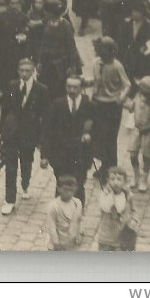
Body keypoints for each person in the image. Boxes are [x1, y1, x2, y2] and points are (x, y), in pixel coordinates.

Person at [0, 59, 49, 215]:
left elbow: (44, 115)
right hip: (12, 132)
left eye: (28, 70)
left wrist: (41, 138)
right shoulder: (12, 86)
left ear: (33, 71)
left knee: (26, 161)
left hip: (30, 132)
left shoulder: (41, 89)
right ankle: (10, 199)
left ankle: (25, 183)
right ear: (18, 71)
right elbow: (5, 110)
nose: (25, 73)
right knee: (11, 165)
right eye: (22, 70)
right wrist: (3, 132)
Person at [41, 75, 95, 206]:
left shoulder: (89, 105)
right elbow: (47, 130)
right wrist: (44, 155)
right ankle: (60, 215)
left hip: (81, 154)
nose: (72, 90)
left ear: (81, 88)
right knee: (61, 184)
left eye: (75, 87)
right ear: (65, 87)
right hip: (60, 154)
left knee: (78, 185)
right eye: (69, 86)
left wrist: (89, 136)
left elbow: (98, 128)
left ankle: (77, 215)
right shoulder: (57, 105)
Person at [90, 37, 131, 179]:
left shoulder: (116, 66)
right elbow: (95, 81)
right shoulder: (96, 64)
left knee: (110, 138)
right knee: (99, 136)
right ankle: (104, 165)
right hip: (97, 104)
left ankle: (111, 169)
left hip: (112, 106)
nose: (98, 52)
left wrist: (121, 98)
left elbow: (127, 85)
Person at [129, 76, 150, 193]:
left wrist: (145, 128)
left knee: (146, 156)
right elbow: (132, 109)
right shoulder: (137, 98)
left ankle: (144, 180)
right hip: (137, 131)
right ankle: (136, 175)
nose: (145, 94)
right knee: (133, 154)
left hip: (149, 132)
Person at [97, 166, 138, 251]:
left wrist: (134, 220)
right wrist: (110, 195)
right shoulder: (104, 194)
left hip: (122, 236)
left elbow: (133, 210)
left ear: (125, 182)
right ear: (108, 181)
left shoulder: (128, 195)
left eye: (119, 179)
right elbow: (106, 207)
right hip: (106, 236)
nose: (116, 183)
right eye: (112, 179)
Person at [46, 175, 83, 251]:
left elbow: (79, 219)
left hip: (71, 243)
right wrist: (56, 243)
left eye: (72, 190)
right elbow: (51, 226)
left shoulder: (77, 203)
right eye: (66, 190)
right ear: (58, 189)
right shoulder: (54, 206)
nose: (69, 193)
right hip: (57, 244)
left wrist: (80, 232)